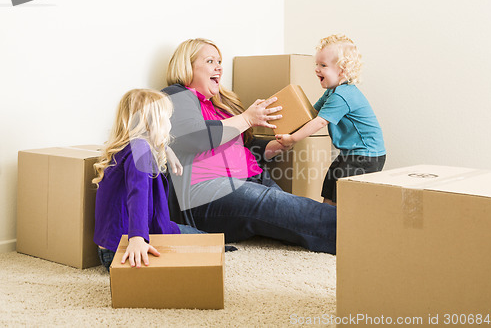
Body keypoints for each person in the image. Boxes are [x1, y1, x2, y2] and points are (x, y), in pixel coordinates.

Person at [161, 38, 337, 255]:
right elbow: (194, 137)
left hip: (250, 178)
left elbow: (246, 145)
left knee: (291, 210)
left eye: (219, 61)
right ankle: (361, 232)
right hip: (205, 192)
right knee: (275, 205)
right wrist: (246, 119)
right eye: (210, 61)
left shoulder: (221, 105)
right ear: (187, 67)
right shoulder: (175, 95)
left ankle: (354, 230)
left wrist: (276, 146)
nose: (219, 67)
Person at [92, 88, 201, 271]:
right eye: (167, 118)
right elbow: (138, 194)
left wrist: (166, 148)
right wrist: (137, 238)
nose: (169, 123)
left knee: (194, 234)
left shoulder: (130, 146)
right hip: (129, 247)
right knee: (205, 242)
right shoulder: (141, 149)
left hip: (111, 247)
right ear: (152, 123)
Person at [276, 34, 386, 206]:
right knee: (331, 181)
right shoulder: (332, 91)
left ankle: (333, 223)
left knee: (343, 194)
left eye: (323, 65)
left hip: (366, 155)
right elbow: (311, 113)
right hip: (351, 153)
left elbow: (319, 121)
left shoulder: (343, 95)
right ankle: (324, 215)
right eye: (316, 64)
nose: (316, 69)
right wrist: (288, 123)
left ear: (342, 70)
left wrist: (292, 138)